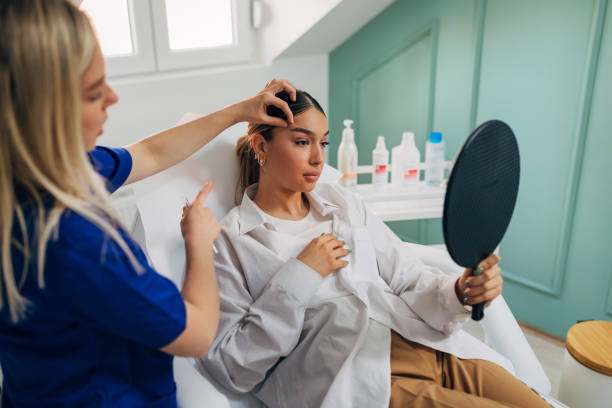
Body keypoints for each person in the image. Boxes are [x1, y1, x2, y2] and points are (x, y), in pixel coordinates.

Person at [0, 1, 297, 406]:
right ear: (41, 111)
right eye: (92, 94)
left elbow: (150, 153)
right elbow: (197, 333)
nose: (112, 97)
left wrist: (239, 110)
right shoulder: (76, 242)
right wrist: (199, 245)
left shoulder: (49, 173)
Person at [199, 90, 551, 407]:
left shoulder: (344, 203)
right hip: (361, 381)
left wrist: (459, 292)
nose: (319, 159)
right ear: (262, 147)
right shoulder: (234, 240)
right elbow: (233, 367)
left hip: (428, 346)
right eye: (302, 142)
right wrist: (300, 275)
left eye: (323, 143)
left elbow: (408, 278)